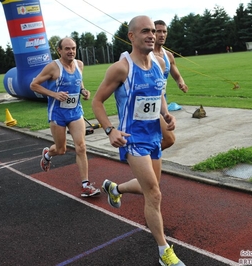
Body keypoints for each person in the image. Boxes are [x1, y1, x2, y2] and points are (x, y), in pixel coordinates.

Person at [92, 15, 185, 266]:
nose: (152, 35)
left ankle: (115, 188)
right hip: (132, 140)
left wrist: (166, 114)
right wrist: (110, 130)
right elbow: (97, 101)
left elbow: (160, 91)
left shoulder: (158, 62)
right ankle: (164, 251)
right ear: (132, 36)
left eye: (154, 31)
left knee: (151, 187)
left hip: (154, 136)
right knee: (154, 194)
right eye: (145, 31)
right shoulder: (121, 68)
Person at [30, 37, 100, 198]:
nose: (71, 51)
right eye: (67, 48)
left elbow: (79, 82)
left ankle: (86, 184)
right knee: (61, 149)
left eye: (73, 48)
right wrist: (54, 94)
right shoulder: (53, 67)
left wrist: (83, 91)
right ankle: (48, 154)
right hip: (57, 114)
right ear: (59, 50)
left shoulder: (79, 65)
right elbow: (34, 85)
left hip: (75, 112)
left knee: (81, 146)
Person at [153, 19, 188, 150]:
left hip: (163, 102)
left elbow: (177, 75)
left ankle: (145, 161)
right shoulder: (146, 55)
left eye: (164, 32)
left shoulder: (168, 56)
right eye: (158, 31)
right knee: (169, 139)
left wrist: (181, 83)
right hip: (150, 102)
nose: (162, 35)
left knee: (161, 138)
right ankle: (140, 159)